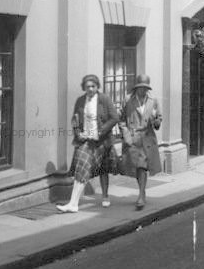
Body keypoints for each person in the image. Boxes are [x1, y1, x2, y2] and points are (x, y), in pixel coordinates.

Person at [57, 74, 119, 213]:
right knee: (82, 166)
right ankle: (73, 204)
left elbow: (114, 118)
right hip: (85, 140)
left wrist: (100, 132)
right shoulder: (80, 100)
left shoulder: (104, 99)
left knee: (104, 169)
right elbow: (75, 120)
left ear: (97, 87)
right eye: (87, 87)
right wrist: (78, 133)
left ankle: (105, 196)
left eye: (93, 86)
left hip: (102, 141)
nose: (90, 89)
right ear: (84, 87)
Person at [119, 74, 162, 210]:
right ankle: (142, 191)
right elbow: (120, 119)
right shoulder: (128, 100)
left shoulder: (153, 100)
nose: (143, 90)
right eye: (140, 88)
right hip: (132, 137)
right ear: (136, 88)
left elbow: (159, 120)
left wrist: (156, 120)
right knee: (137, 167)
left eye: (145, 88)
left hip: (147, 137)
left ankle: (141, 194)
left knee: (142, 166)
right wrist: (126, 134)